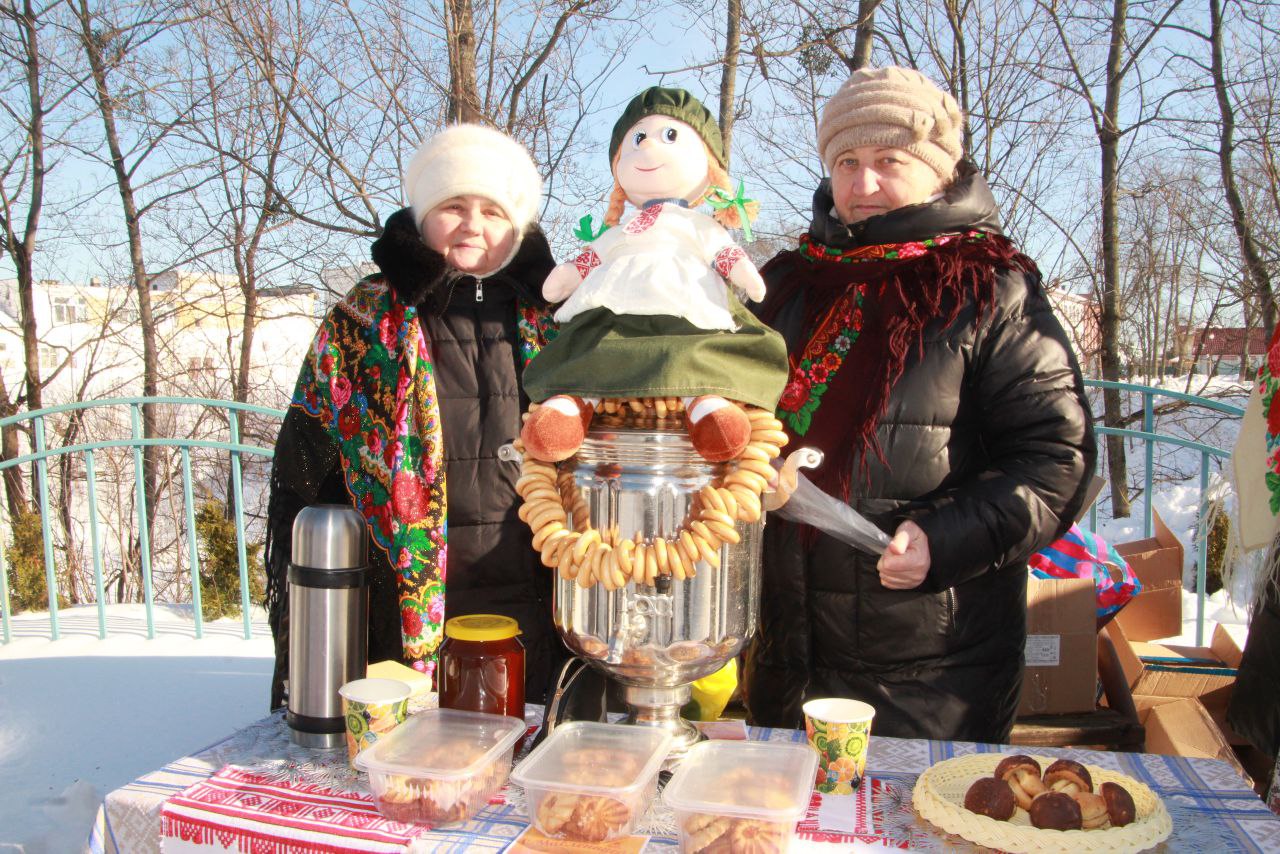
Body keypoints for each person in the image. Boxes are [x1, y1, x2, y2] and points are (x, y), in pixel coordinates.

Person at [743, 66, 1097, 742]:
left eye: (888, 161)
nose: (863, 182)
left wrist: (944, 537)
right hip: (787, 658)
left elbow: (1058, 461)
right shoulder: (787, 285)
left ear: (937, 171)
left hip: (930, 672)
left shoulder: (987, 288)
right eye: (847, 161)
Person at [264, 124, 562, 710]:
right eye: (453, 205)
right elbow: (308, 468)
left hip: (541, 594)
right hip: (399, 607)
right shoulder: (363, 321)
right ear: (422, 216)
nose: (473, 224)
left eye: (493, 211)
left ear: (518, 225)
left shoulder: (563, 322)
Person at [521, 86, 788, 465]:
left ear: (708, 165)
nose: (648, 149)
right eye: (639, 138)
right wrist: (563, 278)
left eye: (670, 136)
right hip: (610, 311)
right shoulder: (620, 232)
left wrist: (747, 275)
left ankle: (703, 401)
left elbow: (726, 254)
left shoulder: (699, 226)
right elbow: (588, 260)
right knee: (590, 351)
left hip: (684, 308)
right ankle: (572, 404)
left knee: (694, 354)